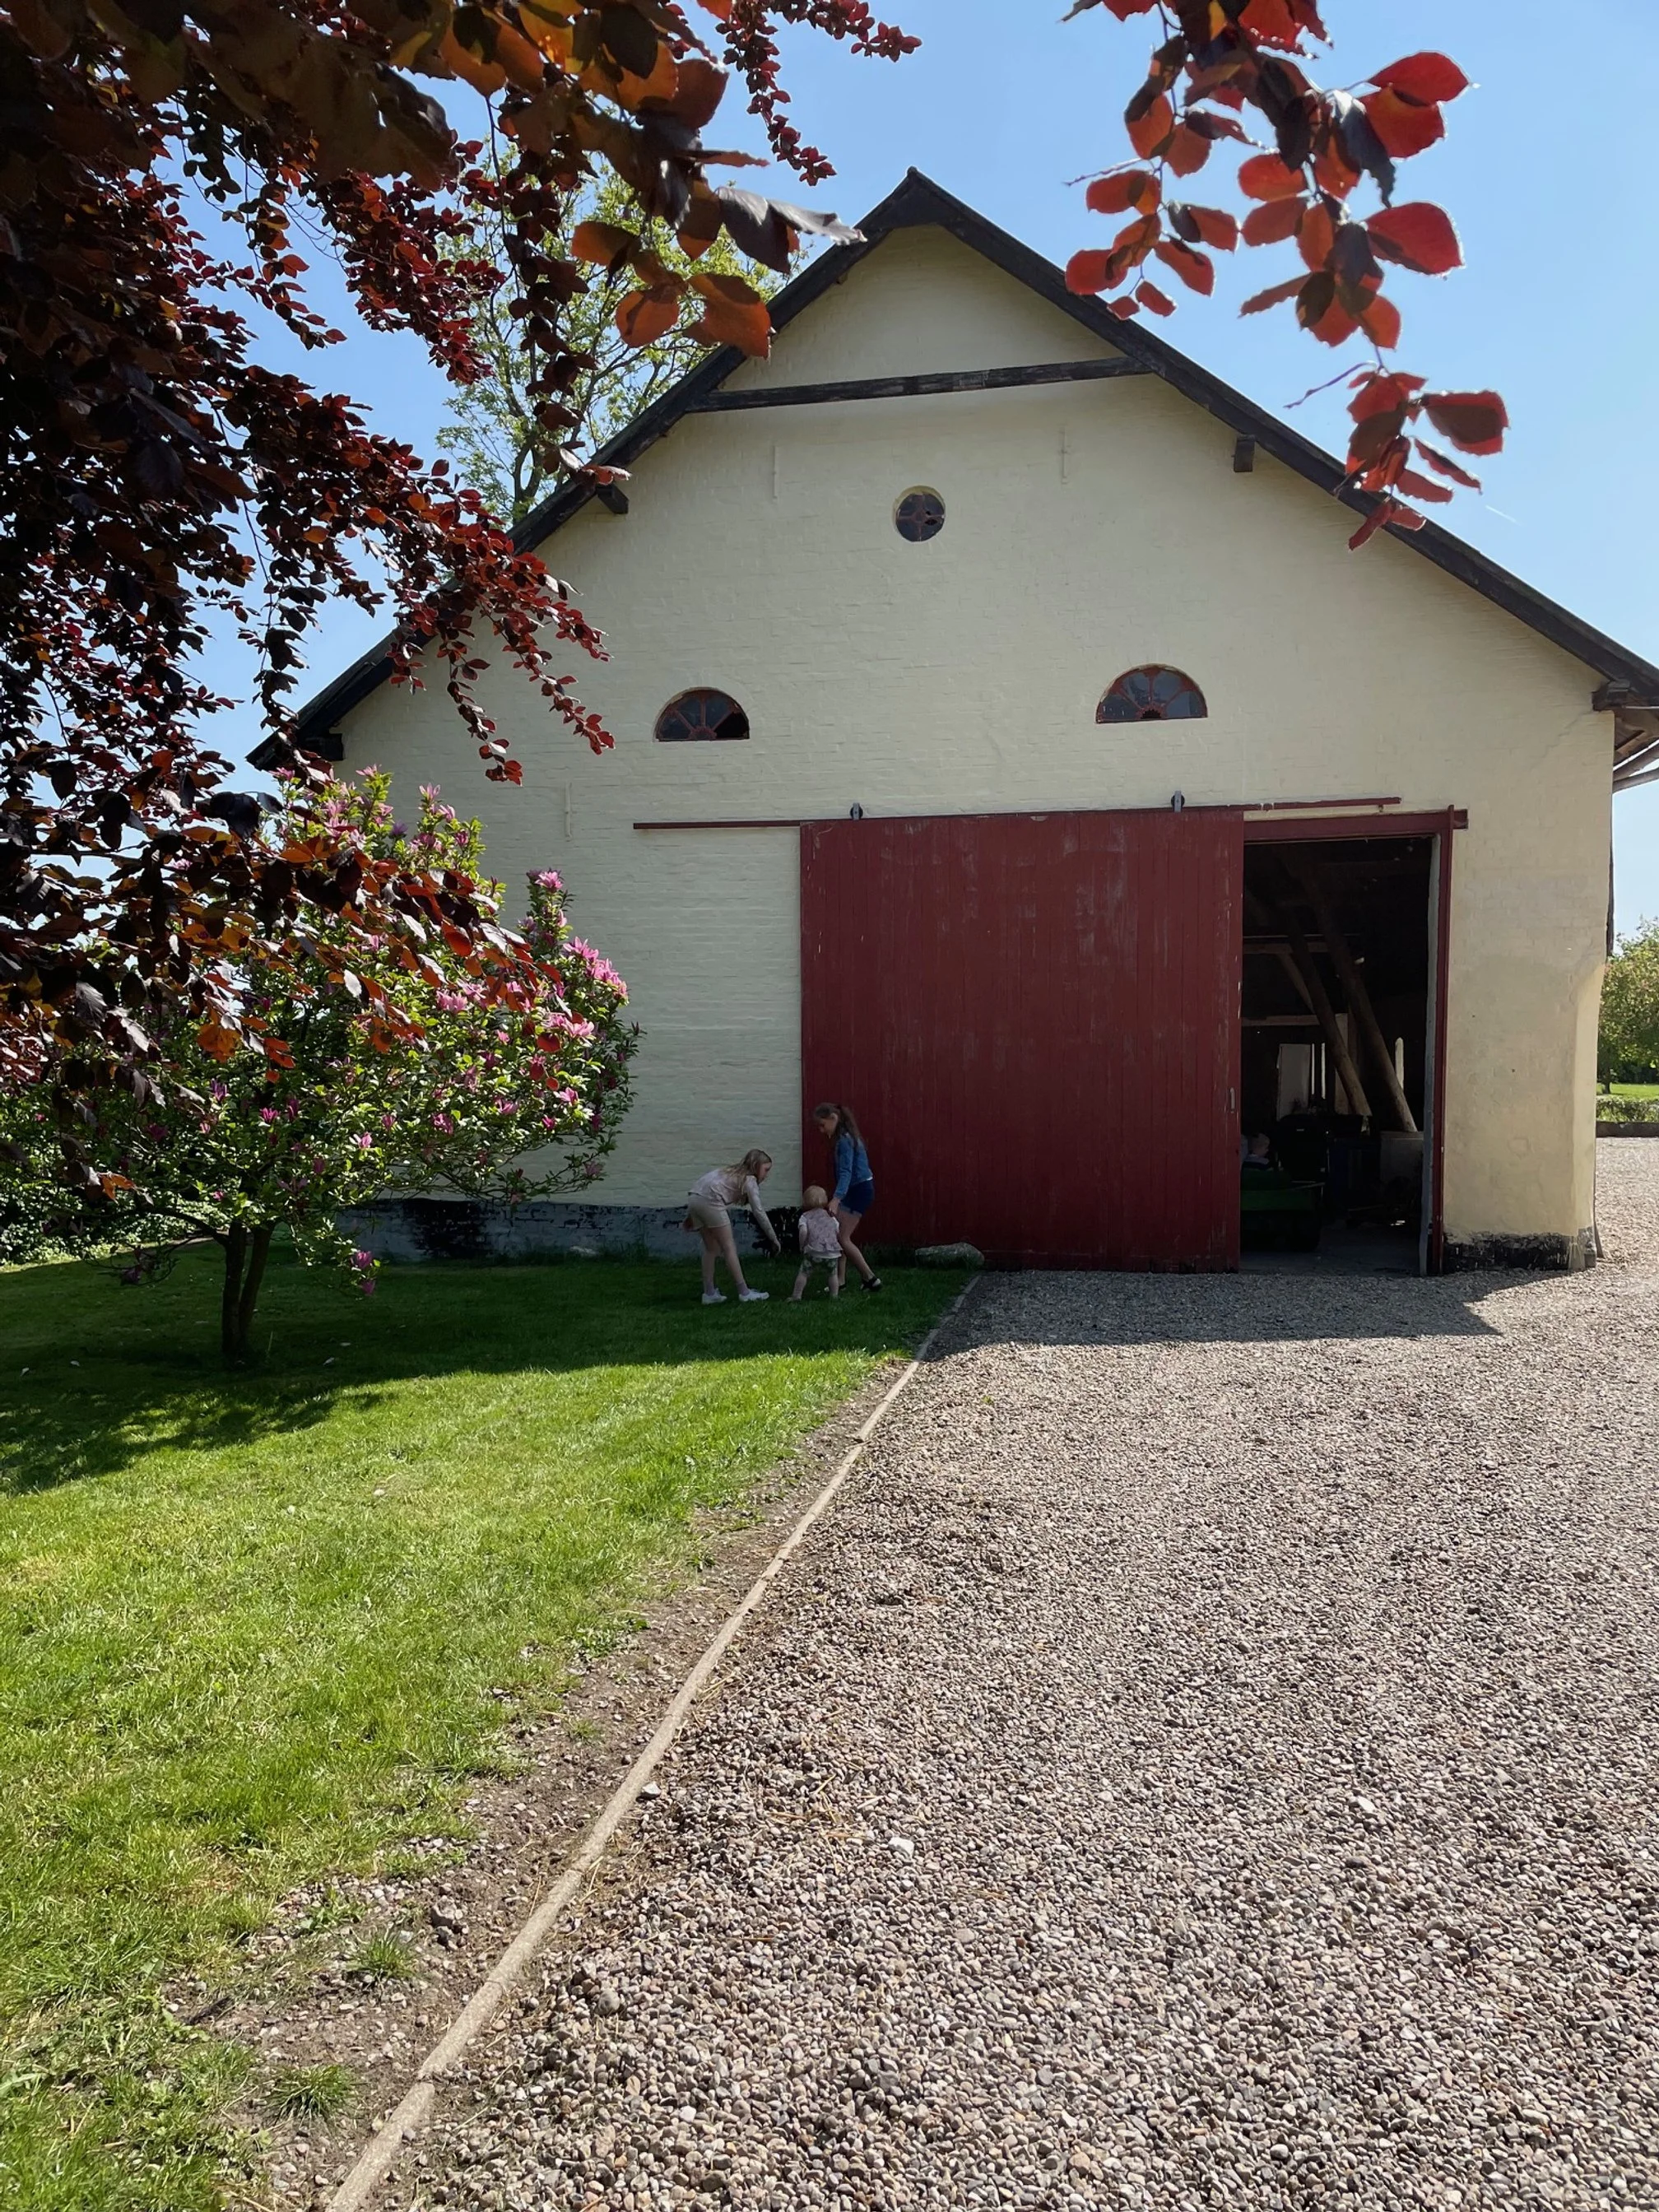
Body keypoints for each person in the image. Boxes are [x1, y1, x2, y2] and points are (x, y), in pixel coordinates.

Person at [685, 1150, 780, 1304]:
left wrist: (691, 1216)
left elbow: (702, 1189)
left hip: (694, 1198)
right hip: (711, 1201)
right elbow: (759, 1212)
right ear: (756, 1166)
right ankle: (744, 1292)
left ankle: (709, 1293)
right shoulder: (749, 1180)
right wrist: (773, 1238)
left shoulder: (730, 1171)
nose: (767, 1175)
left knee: (711, 1249)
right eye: (766, 1169)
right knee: (729, 1246)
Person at [811, 1101, 882, 1294]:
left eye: (822, 1124)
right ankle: (840, 1281)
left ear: (833, 1118)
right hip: (856, 1189)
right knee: (838, 1234)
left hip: (859, 1190)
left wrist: (836, 1199)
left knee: (843, 1238)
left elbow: (846, 1173)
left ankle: (870, 1279)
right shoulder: (846, 1137)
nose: (820, 1129)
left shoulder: (844, 1140)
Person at [790, 1185, 843, 1301]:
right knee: (832, 1274)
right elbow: (838, 1231)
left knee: (804, 1273)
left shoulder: (805, 1217)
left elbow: (803, 1232)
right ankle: (834, 1296)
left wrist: (802, 1245)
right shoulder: (831, 1217)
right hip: (832, 1253)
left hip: (813, 1252)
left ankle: (797, 1295)